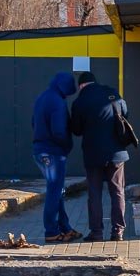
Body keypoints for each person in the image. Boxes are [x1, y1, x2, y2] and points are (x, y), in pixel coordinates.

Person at [69, 71, 130, 242]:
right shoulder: (112, 94)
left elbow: (76, 130)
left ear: (81, 85)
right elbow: (125, 114)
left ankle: (96, 233)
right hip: (116, 152)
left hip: (93, 153)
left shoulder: (80, 101)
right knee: (117, 191)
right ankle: (118, 232)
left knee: (95, 193)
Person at [31, 72, 82, 243]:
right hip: (53, 152)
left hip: (40, 150)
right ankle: (51, 231)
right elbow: (59, 131)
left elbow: (33, 122)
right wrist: (67, 146)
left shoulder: (43, 97)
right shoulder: (57, 102)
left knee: (57, 191)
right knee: (54, 192)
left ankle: (65, 227)